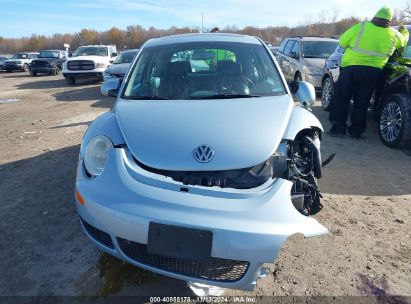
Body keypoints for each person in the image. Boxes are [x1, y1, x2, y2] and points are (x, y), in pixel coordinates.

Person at [329, 6, 409, 138]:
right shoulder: (394, 34)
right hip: (372, 73)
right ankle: (356, 132)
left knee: (342, 98)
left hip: (350, 68)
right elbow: (404, 41)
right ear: (389, 20)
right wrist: (404, 31)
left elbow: (342, 42)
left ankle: (338, 129)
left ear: (375, 16)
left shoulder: (361, 26)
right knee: (362, 102)